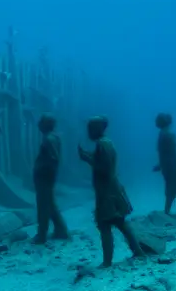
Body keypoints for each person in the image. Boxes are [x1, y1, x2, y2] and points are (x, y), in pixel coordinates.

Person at [78, 116, 146, 267]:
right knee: (120, 222)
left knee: (104, 225)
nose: (88, 132)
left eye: (90, 129)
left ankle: (107, 261)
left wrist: (87, 159)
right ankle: (138, 251)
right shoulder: (106, 143)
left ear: (97, 129)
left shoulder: (102, 145)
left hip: (107, 192)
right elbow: (103, 163)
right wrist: (89, 156)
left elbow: (104, 168)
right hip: (112, 189)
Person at [31, 113, 70, 244]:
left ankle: (42, 235)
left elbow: (54, 158)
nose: (38, 124)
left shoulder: (49, 139)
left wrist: (43, 171)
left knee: (43, 206)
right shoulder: (54, 137)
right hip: (47, 177)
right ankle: (61, 230)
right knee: (50, 205)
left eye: (41, 122)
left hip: (45, 178)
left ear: (46, 124)